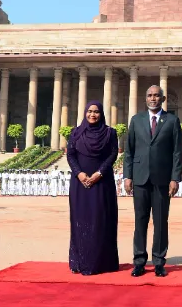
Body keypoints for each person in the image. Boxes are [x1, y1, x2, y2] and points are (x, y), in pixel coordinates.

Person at [124, 85, 182, 278]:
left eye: (156, 95)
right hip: (140, 177)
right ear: (145, 99)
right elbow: (129, 151)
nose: (153, 98)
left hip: (162, 179)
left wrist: (175, 178)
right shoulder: (136, 120)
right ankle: (139, 261)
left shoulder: (172, 120)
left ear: (163, 99)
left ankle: (159, 261)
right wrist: (128, 176)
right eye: (149, 95)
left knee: (160, 222)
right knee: (140, 221)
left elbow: (177, 152)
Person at [66, 101, 120, 275]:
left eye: (96, 112)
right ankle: (80, 261)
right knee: (80, 221)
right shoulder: (76, 132)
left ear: (101, 114)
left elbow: (112, 154)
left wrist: (99, 173)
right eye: (89, 111)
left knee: (101, 220)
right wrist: (79, 174)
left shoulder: (110, 133)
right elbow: (70, 155)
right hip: (80, 183)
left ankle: (101, 262)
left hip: (102, 182)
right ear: (85, 113)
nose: (92, 115)